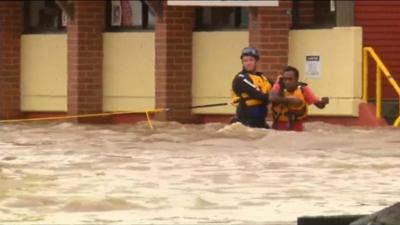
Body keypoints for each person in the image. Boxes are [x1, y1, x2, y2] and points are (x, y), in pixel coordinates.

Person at [269, 66, 329, 131]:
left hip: (297, 130)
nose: (287, 82)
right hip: (277, 128)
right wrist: (290, 100)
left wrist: (324, 102)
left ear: (296, 79)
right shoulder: (279, 85)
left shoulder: (304, 89)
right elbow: (271, 97)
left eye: (290, 79)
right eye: (285, 79)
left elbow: (320, 106)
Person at [231, 47, 272, 128]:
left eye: (251, 60)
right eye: (245, 61)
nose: (248, 63)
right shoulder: (240, 78)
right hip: (244, 123)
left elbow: (277, 87)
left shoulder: (262, 77)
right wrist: (279, 98)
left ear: (256, 61)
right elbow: (259, 95)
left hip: (260, 122)